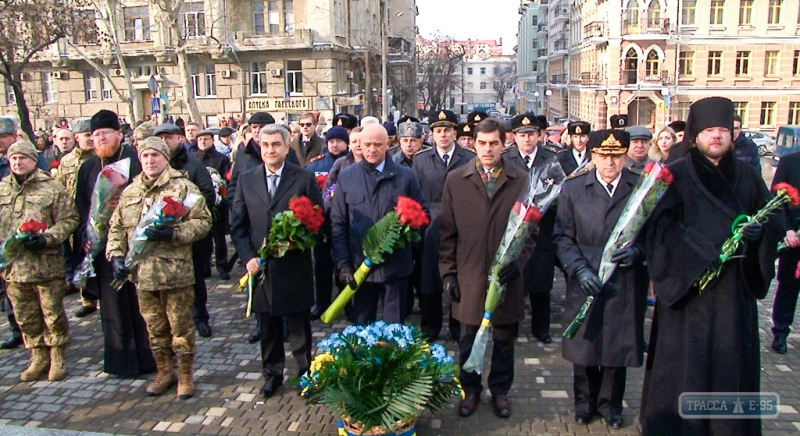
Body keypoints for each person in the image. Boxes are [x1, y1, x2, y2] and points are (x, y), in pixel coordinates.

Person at [641, 97, 782, 436]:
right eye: (708, 130)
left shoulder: (748, 176)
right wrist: (702, 251)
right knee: (682, 370)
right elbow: (657, 230)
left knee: (730, 368)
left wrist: (760, 234)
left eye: (722, 130)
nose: (716, 136)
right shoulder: (674, 175)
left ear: (732, 134)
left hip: (734, 296)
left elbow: (773, 221)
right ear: (694, 136)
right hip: (688, 294)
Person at [439, 118, 536, 419]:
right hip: (469, 275)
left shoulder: (520, 179)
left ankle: (501, 391)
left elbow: (531, 231)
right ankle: (470, 390)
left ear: (504, 143)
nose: (487, 149)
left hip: (505, 277)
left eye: (494, 143)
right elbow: (446, 233)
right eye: (481, 143)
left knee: (504, 339)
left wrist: (516, 265)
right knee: (467, 337)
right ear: (474, 143)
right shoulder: (456, 179)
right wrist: (449, 274)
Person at [553, 129, 649, 428]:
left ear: (625, 156)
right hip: (586, 274)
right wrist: (578, 268)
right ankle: (584, 403)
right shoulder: (574, 188)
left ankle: (611, 405)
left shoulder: (641, 187)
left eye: (616, 156)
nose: (610, 163)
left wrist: (638, 252)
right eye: (603, 156)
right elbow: (562, 237)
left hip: (624, 277)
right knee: (585, 344)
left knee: (616, 347)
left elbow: (653, 233)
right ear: (593, 157)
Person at [107, 137, 211, 399]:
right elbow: (116, 227)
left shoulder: (183, 188)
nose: (150, 160)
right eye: (145, 156)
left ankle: (185, 374)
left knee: (180, 327)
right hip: (143, 275)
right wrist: (116, 256)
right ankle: (164, 371)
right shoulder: (130, 192)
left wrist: (174, 233)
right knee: (154, 328)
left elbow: (203, 223)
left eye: (156, 155)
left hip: (175, 273)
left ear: (166, 158)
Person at [230, 124, 323, 398]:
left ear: (286, 146)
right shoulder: (247, 179)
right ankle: (272, 375)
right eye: (265, 145)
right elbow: (238, 224)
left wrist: (297, 239)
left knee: (299, 326)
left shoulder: (303, 178)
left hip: (294, 265)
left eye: (276, 144)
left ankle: (305, 373)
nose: (270, 150)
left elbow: (318, 221)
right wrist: (247, 257)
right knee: (268, 326)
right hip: (261, 268)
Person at [74, 109, 154, 377]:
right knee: (112, 305)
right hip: (104, 247)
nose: (99, 139)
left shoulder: (136, 161)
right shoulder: (87, 167)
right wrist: (85, 238)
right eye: (94, 135)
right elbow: (82, 207)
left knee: (140, 304)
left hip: (135, 245)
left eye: (104, 134)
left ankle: (148, 358)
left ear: (118, 135)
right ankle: (120, 360)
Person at [331, 123, 430, 325]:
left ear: (388, 144)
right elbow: (338, 223)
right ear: (359, 144)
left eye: (377, 144)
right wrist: (343, 265)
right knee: (362, 328)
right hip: (360, 269)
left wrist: (403, 235)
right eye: (367, 144)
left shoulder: (405, 176)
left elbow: (423, 214)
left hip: (395, 268)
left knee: (394, 330)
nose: (371, 149)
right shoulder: (347, 177)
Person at [0, 140, 78, 381]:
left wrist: (47, 238)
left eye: (22, 158)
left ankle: (57, 355)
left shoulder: (51, 188)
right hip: (15, 269)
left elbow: (70, 219)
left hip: (46, 266)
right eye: (13, 158)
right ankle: (37, 355)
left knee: (52, 315)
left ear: (33, 160)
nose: (18, 162)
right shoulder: (3, 189)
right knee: (25, 316)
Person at [412, 110, 472, 340]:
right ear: (432, 134)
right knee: (429, 279)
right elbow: (416, 195)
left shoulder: (468, 159)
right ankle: (430, 326)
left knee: (459, 276)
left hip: (461, 227)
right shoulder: (421, 160)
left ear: (455, 133)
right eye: (438, 131)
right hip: (431, 228)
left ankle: (459, 326)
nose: (443, 135)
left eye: (447, 130)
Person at [502, 113, 562, 344]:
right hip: (513, 230)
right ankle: (512, 324)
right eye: (521, 135)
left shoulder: (553, 158)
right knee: (514, 279)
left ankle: (541, 328)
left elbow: (561, 190)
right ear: (514, 137)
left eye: (531, 134)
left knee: (541, 282)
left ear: (539, 135)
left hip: (542, 229)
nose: (526, 139)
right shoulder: (506, 158)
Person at [154, 123, 215, 338]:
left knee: (195, 279)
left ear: (179, 139)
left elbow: (207, 195)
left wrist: (183, 214)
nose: (164, 142)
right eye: (160, 138)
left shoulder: (193, 165)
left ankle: (200, 318)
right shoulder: (152, 165)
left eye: (168, 138)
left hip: (190, 235)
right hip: (160, 238)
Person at [306, 127, 350, 320]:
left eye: (339, 141)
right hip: (321, 223)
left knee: (344, 264)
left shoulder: (351, 163)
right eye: (331, 141)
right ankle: (321, 303)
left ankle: (347, 304)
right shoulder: (315, 165)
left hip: (344, 223)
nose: (334, 144)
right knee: (322, 267)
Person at [54, 118, 96, 313]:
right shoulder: (67, 161)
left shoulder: (100, 157)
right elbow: (60, 188)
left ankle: (102, 295)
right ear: (76, 137)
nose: (90, 139)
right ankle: (86, 299)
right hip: (75, 215)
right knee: (80, 256)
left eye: (91, 135)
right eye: (86, 135)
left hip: (95, 212)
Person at [771, 149, 800, 354]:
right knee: (788, 287)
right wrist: (787, 229)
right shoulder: (789, 162)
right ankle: (780, 332)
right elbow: (777, 200)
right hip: (793, 239)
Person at [193, 129, 232, 281]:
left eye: (206, 139)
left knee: (219, 236)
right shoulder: (193, 159)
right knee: (204, 237)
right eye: (200, 139)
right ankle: (205, 266)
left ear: (212, 140)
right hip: (200, 205)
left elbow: (226, 178)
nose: (203, 142)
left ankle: (222, 266)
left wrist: (220, 191)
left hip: (218, 204)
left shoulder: (221, 158)